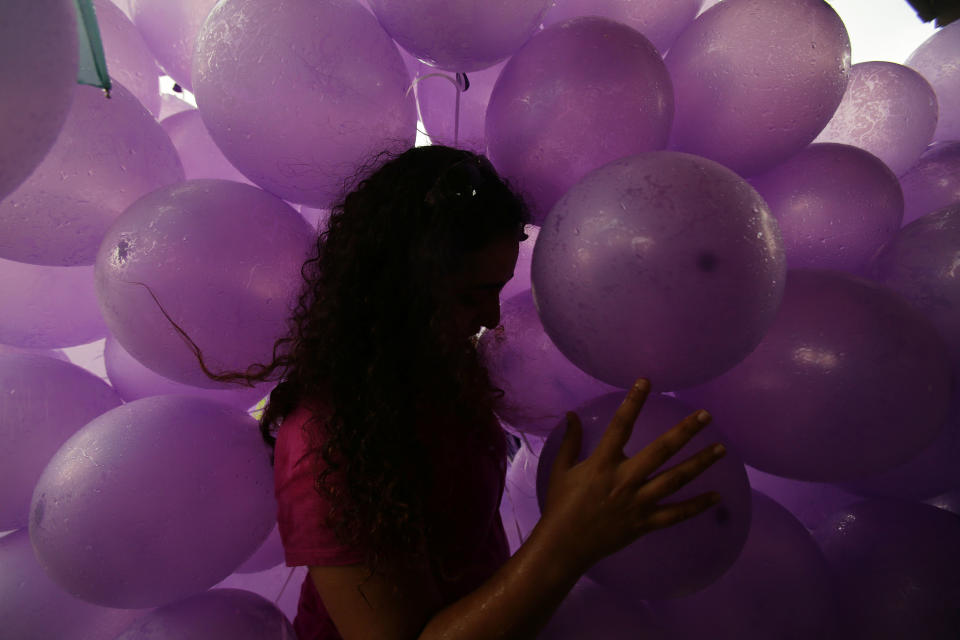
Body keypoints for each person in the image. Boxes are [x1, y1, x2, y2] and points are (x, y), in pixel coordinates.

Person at [174, 144, 727, 639]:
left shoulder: (438, 368)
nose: (491, 316)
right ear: (400, 290)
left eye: (498, 289)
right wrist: (568, 540)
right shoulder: (326, 441)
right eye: (472, 295)